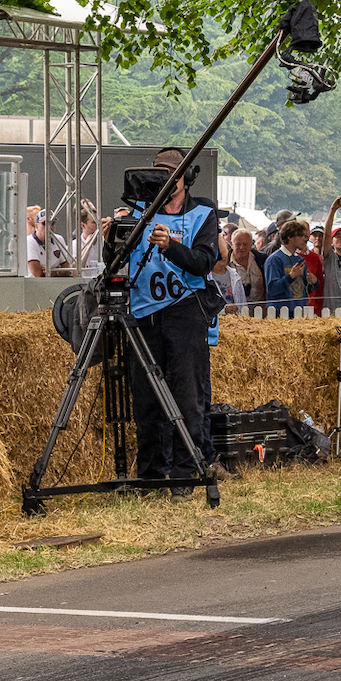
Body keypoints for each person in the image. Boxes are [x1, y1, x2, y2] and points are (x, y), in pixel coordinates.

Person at [115, 147, 222, 496]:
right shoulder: (136, 212)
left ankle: (185, 472)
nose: (161, 180)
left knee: (187, 395)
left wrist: (170, 246)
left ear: (184, 179)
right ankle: (150, 475)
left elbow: (204, 262)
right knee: (146, 399)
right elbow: (114, 261)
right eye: (157, 172)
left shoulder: (203, 212)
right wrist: (111, 237)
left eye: (169, 173)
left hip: (185, 311)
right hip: (144, 312)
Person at [263, 219, 318, 312]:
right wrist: (291, 276)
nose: (304, 239)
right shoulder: (274, 260)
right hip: (280, 314)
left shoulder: (299, 259)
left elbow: (304, 289)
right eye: (300, 236)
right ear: (290, 237)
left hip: (299, 312)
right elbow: (272, 289)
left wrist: (314, 282)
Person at [25, 207, 73, 276]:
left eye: (52, 223)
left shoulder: (59, 239)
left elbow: (67, 269)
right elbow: (38, 274)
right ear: (36, 226)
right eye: (45, 223)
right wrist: (58, 270)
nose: (49, 226)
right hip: (33, 285)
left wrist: (54, 272)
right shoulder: (29, 241)